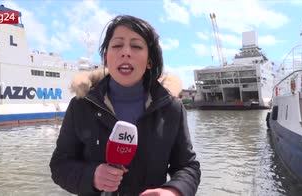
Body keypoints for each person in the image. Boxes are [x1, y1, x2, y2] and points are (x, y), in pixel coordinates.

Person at [50, 15, 201, 196]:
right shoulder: (81, 106)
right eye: (117, 45)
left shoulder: (171, 108)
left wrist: (173, 191)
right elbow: (60, 165)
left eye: (136, 46)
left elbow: (188, 167)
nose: (126, 52)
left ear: (149, 61)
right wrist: (92, 176)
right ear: (106, 58)